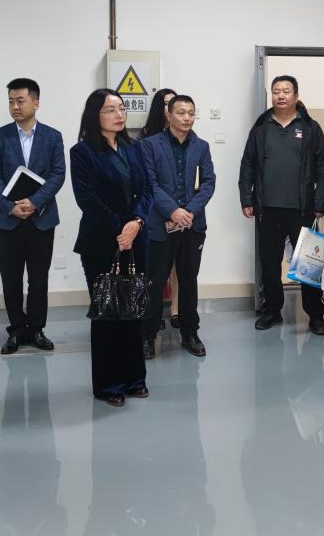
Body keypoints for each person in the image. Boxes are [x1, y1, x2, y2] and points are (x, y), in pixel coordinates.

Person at [70, 89, 152, 407]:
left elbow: (147, 190)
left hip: (136, 239)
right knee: (107, 314)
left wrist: (137, 223)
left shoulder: (135, 148)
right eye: (110, 109)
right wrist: (121, 228)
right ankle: (108, 384)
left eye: (121, 108)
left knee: (132, 311)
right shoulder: (82, 152)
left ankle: (134, 379)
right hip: (101, 242)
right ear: (95, 115)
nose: (119, 115)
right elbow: (87, 198)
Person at [238, 75, 324, 334]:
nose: (280, 95)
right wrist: (247, 199)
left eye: (286, 91)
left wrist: (320, 203)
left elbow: (323, 167)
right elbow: (247, 164)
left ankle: (315, 315)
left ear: (296, 95)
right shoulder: (261, 127)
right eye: (276, 91)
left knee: (309, 264)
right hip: (267, 209)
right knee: (269, 264)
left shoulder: (310, 127)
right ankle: (272, 310)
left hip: (303, 209)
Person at [0, 78, 66, 355]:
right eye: (11, 101)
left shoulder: (53, 136)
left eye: (20, 100)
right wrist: (10, 206)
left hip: (41, 218)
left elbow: (58, 174)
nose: (15, 106)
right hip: (7, 220)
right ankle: (17, 330)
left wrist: (34, 202)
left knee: (39, 279)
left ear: (36, 102)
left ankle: (37, 329)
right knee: (10, 279)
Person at [141, 94, 216, 359]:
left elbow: (208, 183)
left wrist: (189, 211)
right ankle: (147, 335)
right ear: (169, 115)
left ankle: (190, 333)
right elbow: (149, 183)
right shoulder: (150, 145)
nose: (187, 118)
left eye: (191, 113)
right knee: (154, 282)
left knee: (188, 281)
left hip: (192, 225)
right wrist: (172, 210)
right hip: (160, 225)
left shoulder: (202, 146)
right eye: (181, 112)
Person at [141, 88, 181, 329]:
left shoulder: (187, 137)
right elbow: (148, 182)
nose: (172, 108)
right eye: (167, 104)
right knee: (155, 270)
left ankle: (176, 310)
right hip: (155, 212)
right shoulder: (146, 140)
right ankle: (153, 316)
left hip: (182, 214)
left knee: (179, 266)